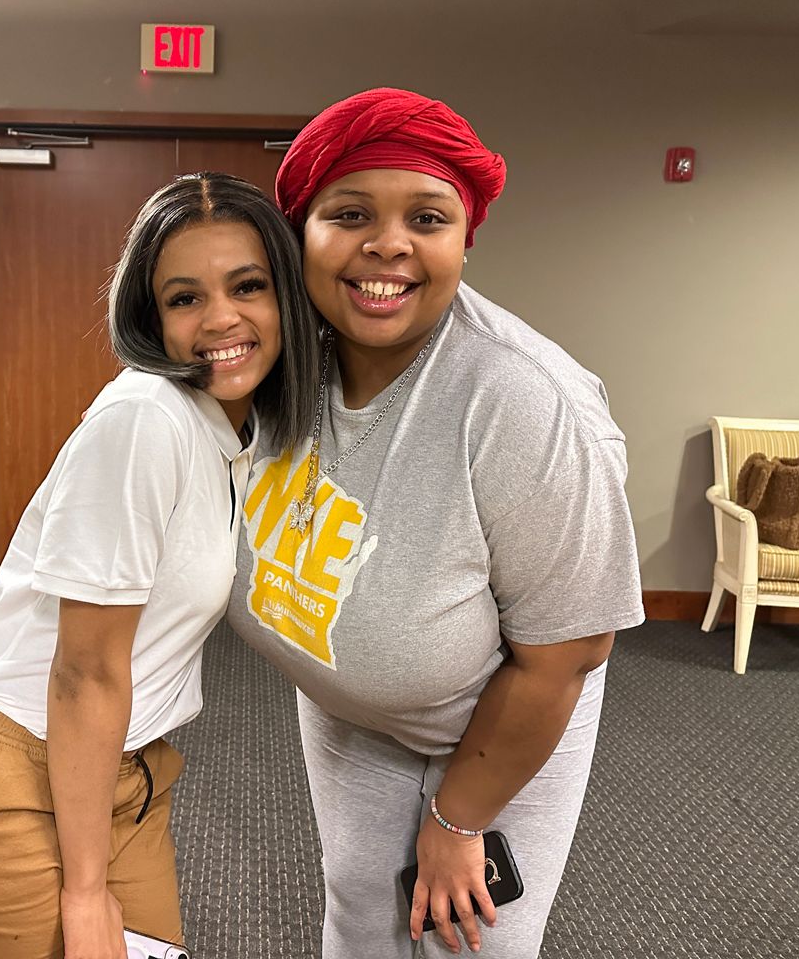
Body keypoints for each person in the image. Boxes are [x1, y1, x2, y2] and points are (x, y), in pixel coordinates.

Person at [226, 88, 645, 958]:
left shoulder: (524, 401)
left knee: (468, 943)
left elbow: (567, 653)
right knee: (361, 923)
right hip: (352, 712)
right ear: (298, 231)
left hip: (503, 715)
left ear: (464, 239)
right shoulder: (276, 352)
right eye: (350, 213)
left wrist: (460, 821)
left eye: (427, 216)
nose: (389, 243)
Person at [0, 172, 319, 959]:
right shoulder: (145, 419)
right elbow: (84, 673)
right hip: (2, 772)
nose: (221, 318)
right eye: (185, 299)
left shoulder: (237, 431)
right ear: (153, 319)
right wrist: (84, 894)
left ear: (287, 295)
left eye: (248, 286)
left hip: (121, 775)